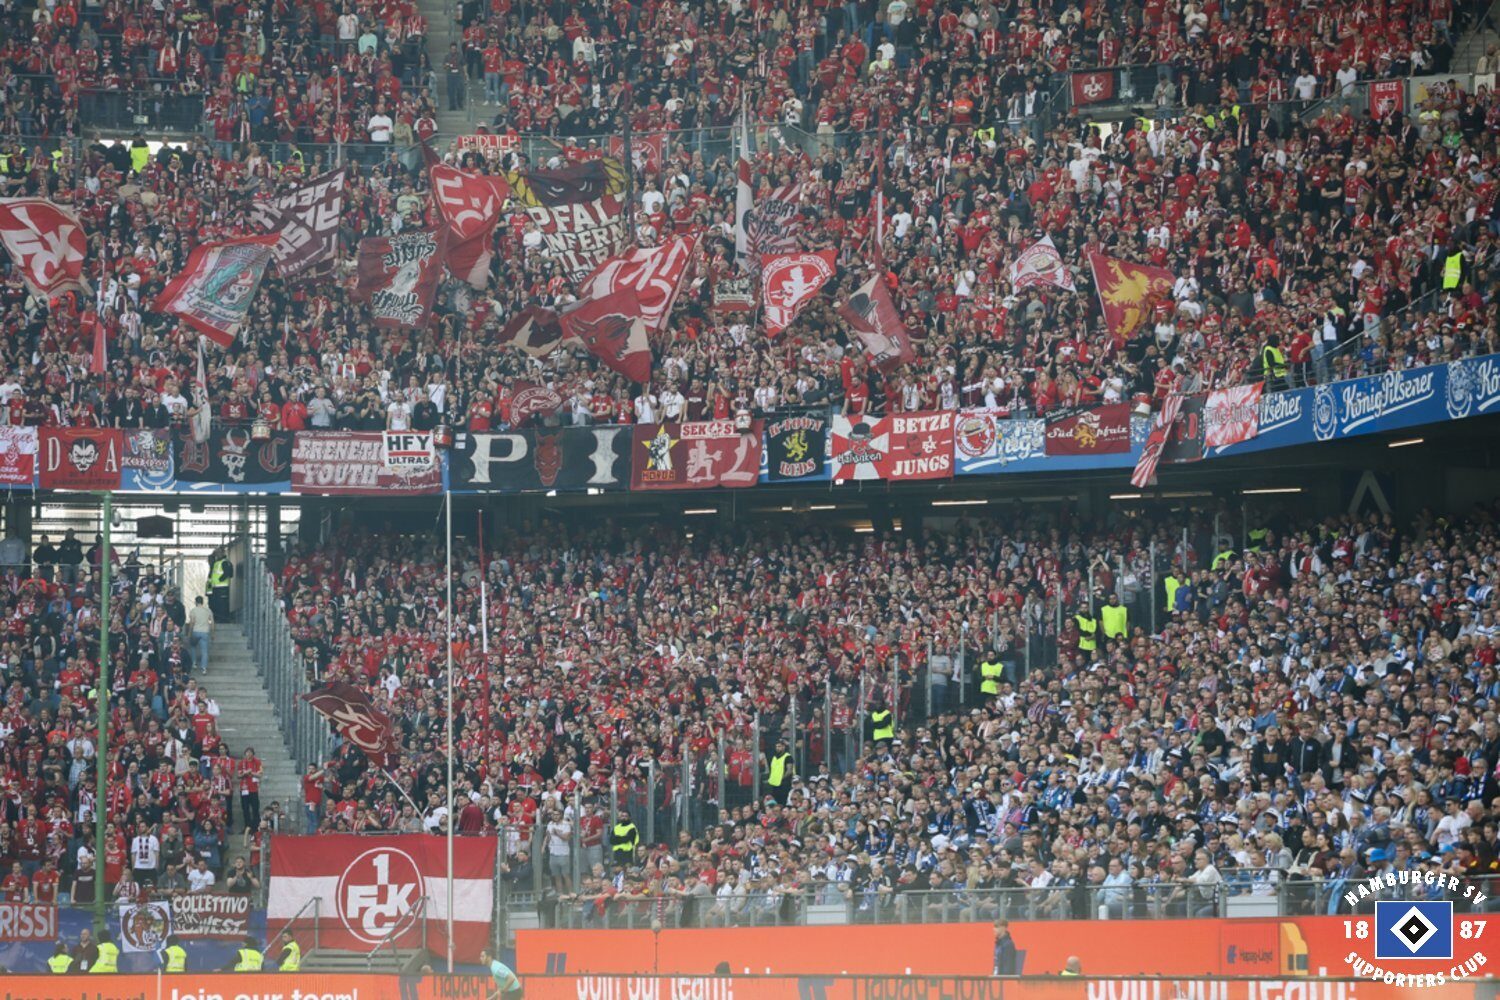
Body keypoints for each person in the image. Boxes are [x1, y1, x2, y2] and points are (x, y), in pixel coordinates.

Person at [189, 596, 214, 674]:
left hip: (196, 631)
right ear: (202, 602)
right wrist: (213, 633)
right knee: (204, 651)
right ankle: (204, 668)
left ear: (195, 602)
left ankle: (194, 663)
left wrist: (189, 632)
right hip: (205, 632)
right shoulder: (208, 610)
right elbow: (212, 622)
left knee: (193, 647)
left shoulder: (193, 610)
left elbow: (192, 622)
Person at [764, 739, 793, 807]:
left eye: (779, 746)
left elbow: (789, 770)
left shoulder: (788, 757)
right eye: (776, 746)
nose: (777, 748)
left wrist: (782, 778)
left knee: (782, 803)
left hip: (784, 784)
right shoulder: (774, 757)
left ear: (783, 747)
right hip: (774, 784)